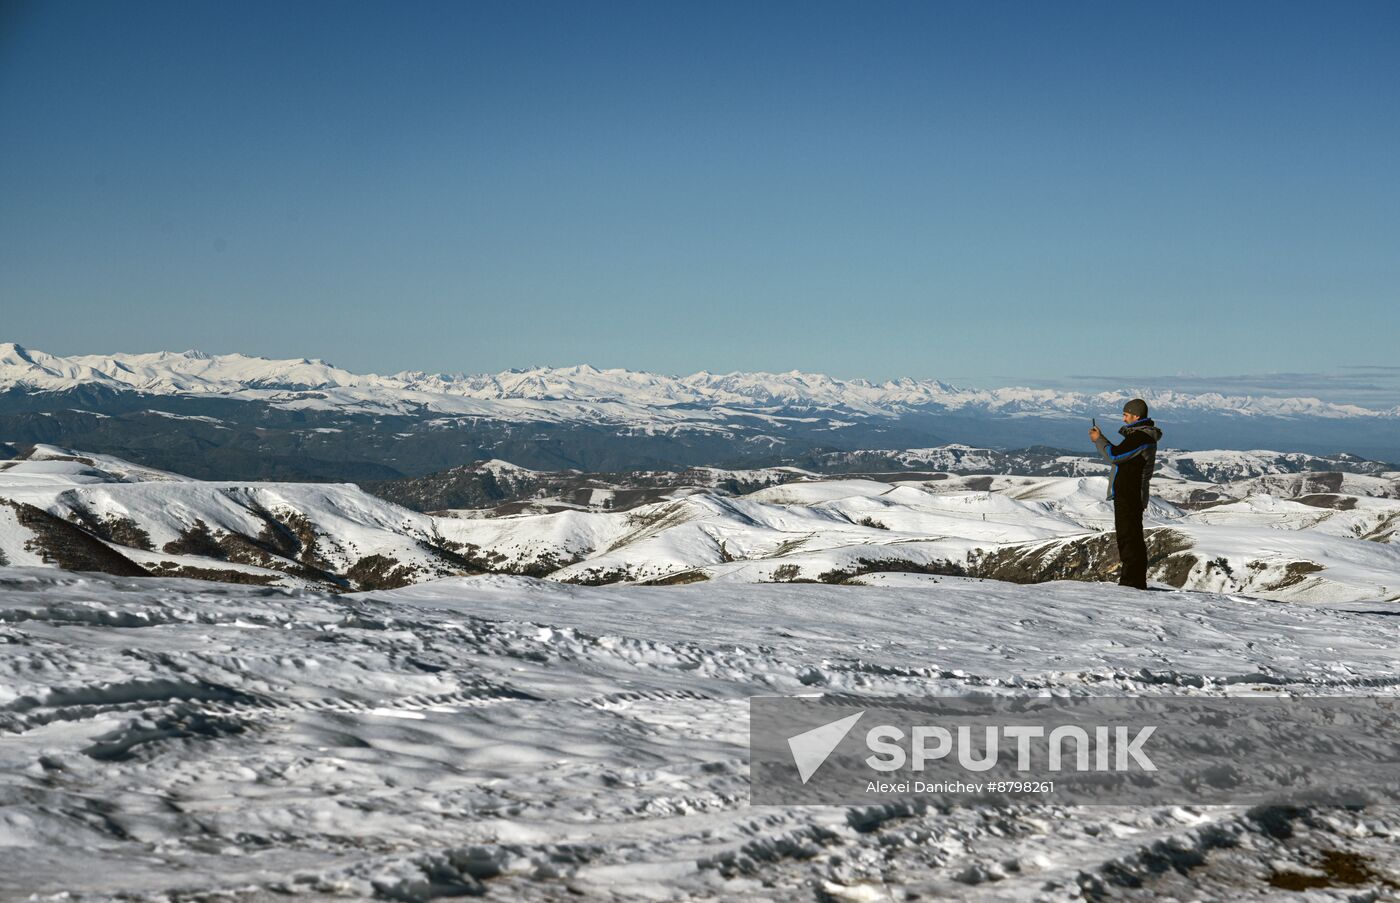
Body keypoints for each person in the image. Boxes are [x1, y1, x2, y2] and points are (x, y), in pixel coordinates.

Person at [1089, 398, 1162, 590]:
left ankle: (1133, 582)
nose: (1123, 419)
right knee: (1128, 536)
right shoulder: (1138, 437)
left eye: (1125, 415)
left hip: (1130, 496)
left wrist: (1099, 441)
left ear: (1136, 416)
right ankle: (1132, 581)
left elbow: (1115, 456)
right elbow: (1121, 453)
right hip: (1127, 494)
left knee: (1130, 538)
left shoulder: (1141, 438)